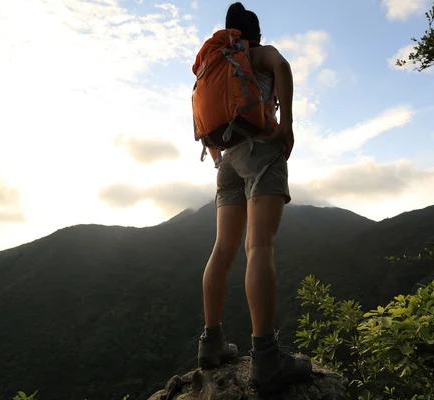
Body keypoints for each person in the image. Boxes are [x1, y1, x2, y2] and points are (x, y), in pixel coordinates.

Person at [196, 2, 312, 396]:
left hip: (226, 160)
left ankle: (211, 344)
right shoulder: (257, 54)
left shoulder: (216, 61)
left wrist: (218, 156)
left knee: (222, 250)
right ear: (255, 33)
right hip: (261, 149)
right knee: (259, 246)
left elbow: (205, 117)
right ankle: (266, 360)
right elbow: (284, 67)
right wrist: (288, 126)